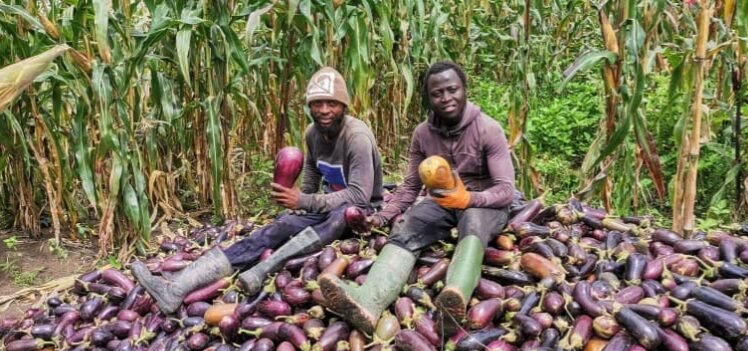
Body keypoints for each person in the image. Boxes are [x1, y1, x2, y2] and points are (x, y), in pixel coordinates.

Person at [131, 67, 384, 314]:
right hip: (325, 206)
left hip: (359, 213)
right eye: (318, 104)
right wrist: (298, 205)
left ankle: (263, 270)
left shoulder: (356, 137)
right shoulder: (313, 133)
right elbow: (312, 172)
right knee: (279, 227)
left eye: (332, 103)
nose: (325, 110)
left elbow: (359, 196)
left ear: (344, 105)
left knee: (342, 214)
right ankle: (176, 288)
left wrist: (305, 199)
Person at [320, 60, 515, 336]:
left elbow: (506, 190)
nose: (446, 98)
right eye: (437, 93)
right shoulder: (423, 134)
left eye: (452, 89)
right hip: (441, 202)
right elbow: (410, 187)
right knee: (409, 223)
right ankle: (369, 299)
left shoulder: (487, 129)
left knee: (472, 220)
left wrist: (468, 198)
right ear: (428, 98)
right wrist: (382, 216)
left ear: (464, 89)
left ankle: (454, 297)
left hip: (484, 201)